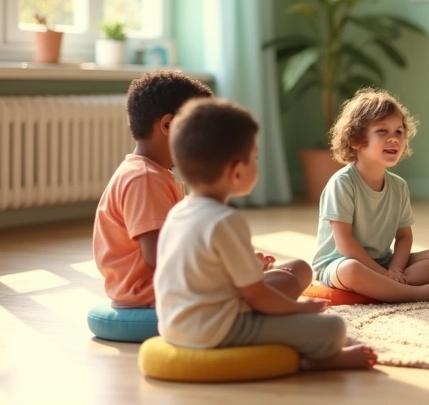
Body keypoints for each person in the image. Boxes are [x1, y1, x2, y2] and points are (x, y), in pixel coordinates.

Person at [155, 98, 376, 370]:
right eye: (254, 158)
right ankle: (318, 360)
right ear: (236, 171)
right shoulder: (225, 220)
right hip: (216, 330)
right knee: (332, 326)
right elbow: (256, 296)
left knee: (293, 270)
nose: (257, 165)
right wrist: (300, 309)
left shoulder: (179, 212)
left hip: (173, 325)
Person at [311, 88, 429, 302]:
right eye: (382, 131)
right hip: (340, 263)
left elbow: (404, 236)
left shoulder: (399, 186)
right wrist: (382, 273)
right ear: (356, 140)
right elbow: (344, 243)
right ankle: (413, 294)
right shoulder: (342, 183)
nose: (393, 139)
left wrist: (395, 268)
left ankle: (382, 289)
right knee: (351, 270)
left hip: (383, 262)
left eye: (399, 132)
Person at [93, 70, 212, 308]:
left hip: (161, 286)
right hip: (151, 293)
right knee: (288, 275)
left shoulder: (152, 174)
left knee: (291, 272)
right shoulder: (144, 178)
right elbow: (158, 256)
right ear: (168, 125)